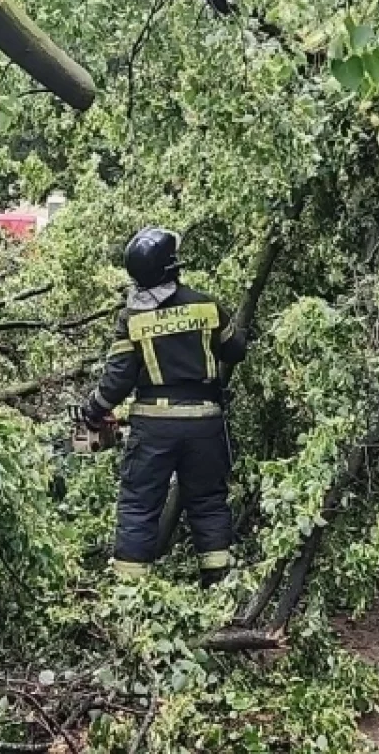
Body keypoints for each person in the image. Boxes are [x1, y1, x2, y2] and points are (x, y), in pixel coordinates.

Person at [82, 227, 247, 587]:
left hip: (154, 426)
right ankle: (218, 590)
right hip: (205, 423)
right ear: (174, 266)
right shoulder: (207, 307)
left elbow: (119, 378)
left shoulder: (133, 318)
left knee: (139, 506)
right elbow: (236, 350)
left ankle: (129, 594)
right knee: (208, 502)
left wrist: (93, 409)